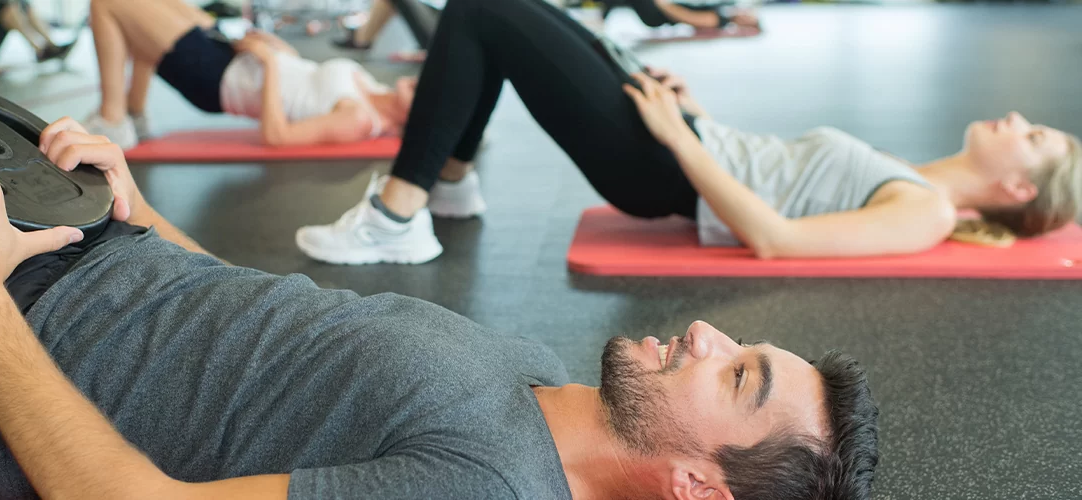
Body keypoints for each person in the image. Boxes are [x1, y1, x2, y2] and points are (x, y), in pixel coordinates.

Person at [0, 2, 881, 498]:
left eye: (736, 375)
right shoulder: (536, 376)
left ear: (696, 487)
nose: (708, 333)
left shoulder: (484, 485)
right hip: (84, 233)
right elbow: (254, 318)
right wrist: (136, 210)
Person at [294, 0, 1081, 265]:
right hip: (682, 141)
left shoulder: (927, 211)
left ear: (1017, 188)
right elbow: (777, 176)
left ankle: (398, 214)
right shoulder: (914, 174)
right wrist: (692, 113)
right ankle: (450, 183)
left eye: (1035, 136)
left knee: (482, 10)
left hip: (662, 167)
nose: (1018, 120)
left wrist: (680, 138)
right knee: (507, 14)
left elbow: (774, 238)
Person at [84, 0, 417, 150]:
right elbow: (305, 83)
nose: (420, 83)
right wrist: (278, 49)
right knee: (141, 15)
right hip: (236, 58)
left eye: (422, 95)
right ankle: (135, 115)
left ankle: (113, 119)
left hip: (216, 79)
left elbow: (277, 136)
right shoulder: (372, 85)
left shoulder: (360, 119)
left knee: (107, 3)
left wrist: (269, 64)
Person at [600, 0, 760, 31]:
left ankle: (600, 19)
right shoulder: (725, 8)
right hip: (661, 10)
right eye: (748, 14)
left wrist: (662, 4)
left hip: (657, 16)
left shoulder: (719, 19)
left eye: (747, 19)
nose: (744, 14)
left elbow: (685, 16)